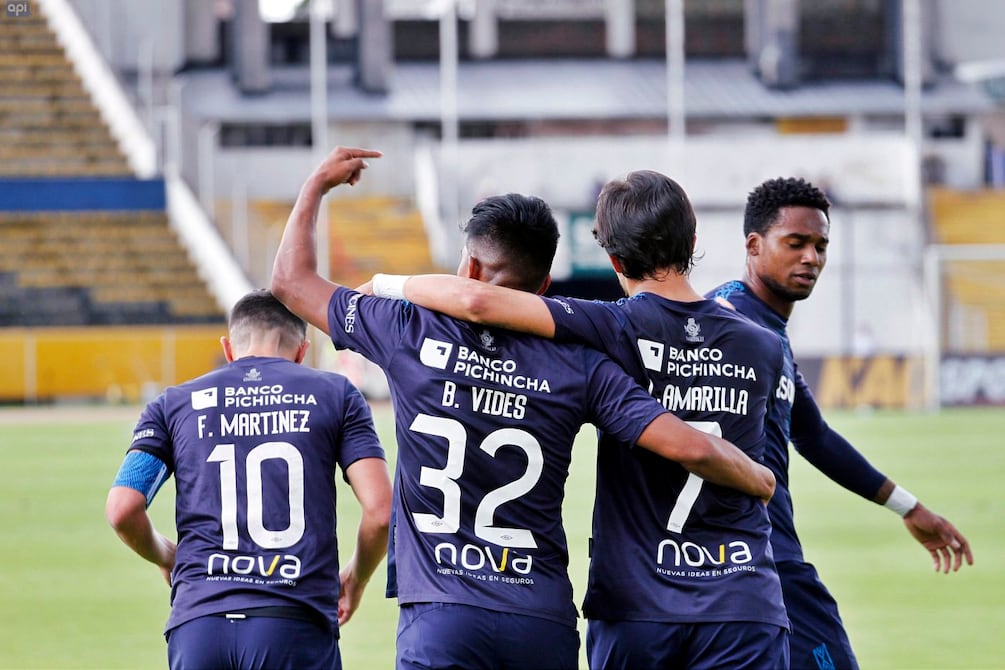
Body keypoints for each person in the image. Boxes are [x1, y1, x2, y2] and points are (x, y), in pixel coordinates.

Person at [270, 147, 777, 670]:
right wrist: (756, 476)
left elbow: (289, 281)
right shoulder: (583, 363)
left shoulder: (406, 329)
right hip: (542, 618)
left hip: (443, 612)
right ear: (543, 288)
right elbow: (685, 443)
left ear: (468, 267)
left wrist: (317, 185)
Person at [707, 176, 974, 670]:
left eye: (821, 246)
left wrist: (910, 507)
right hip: (762, 559)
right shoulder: (734, 325)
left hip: (722, 564)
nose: (811, 257)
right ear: (753, 245)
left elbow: (814, 435)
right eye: (796, 243)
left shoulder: (761, 329)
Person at [105, 289, 392, 670]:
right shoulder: (337, 394)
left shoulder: (171, 405)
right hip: (293, 622)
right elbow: (381, 511)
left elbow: (122, 509)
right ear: (302, 351)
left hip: (199, 626)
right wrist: (356, 578)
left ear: (228, 349)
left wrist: (167, 555)